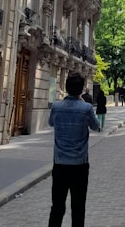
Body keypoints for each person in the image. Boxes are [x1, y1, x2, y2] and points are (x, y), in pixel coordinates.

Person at [47, 74, 100, 227]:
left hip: (60, 163)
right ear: (81, 89)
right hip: (79, 164)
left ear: (66, 88)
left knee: (57, 205)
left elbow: (51, 123)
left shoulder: (56, 107)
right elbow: (96, 126)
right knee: (78, 207)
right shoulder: (86, 108)